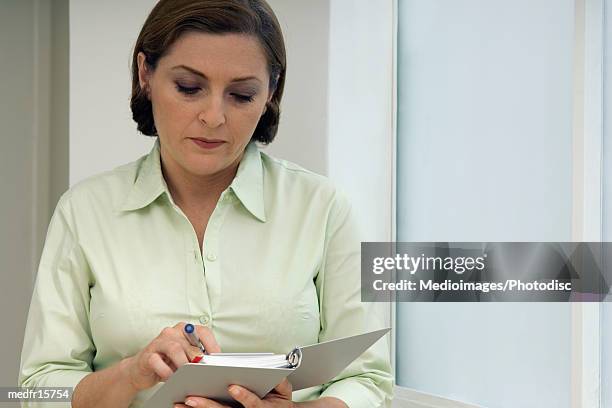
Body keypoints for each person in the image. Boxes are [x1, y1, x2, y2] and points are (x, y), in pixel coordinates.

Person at [18, 0, 393, 407]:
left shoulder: (325, 208)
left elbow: (369, 378)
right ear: (146, 74)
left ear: (271, 92)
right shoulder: (83, 212)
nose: (213, 116)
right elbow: (39, 389)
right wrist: (131, 374)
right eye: (189, 88)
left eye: (241, 94)